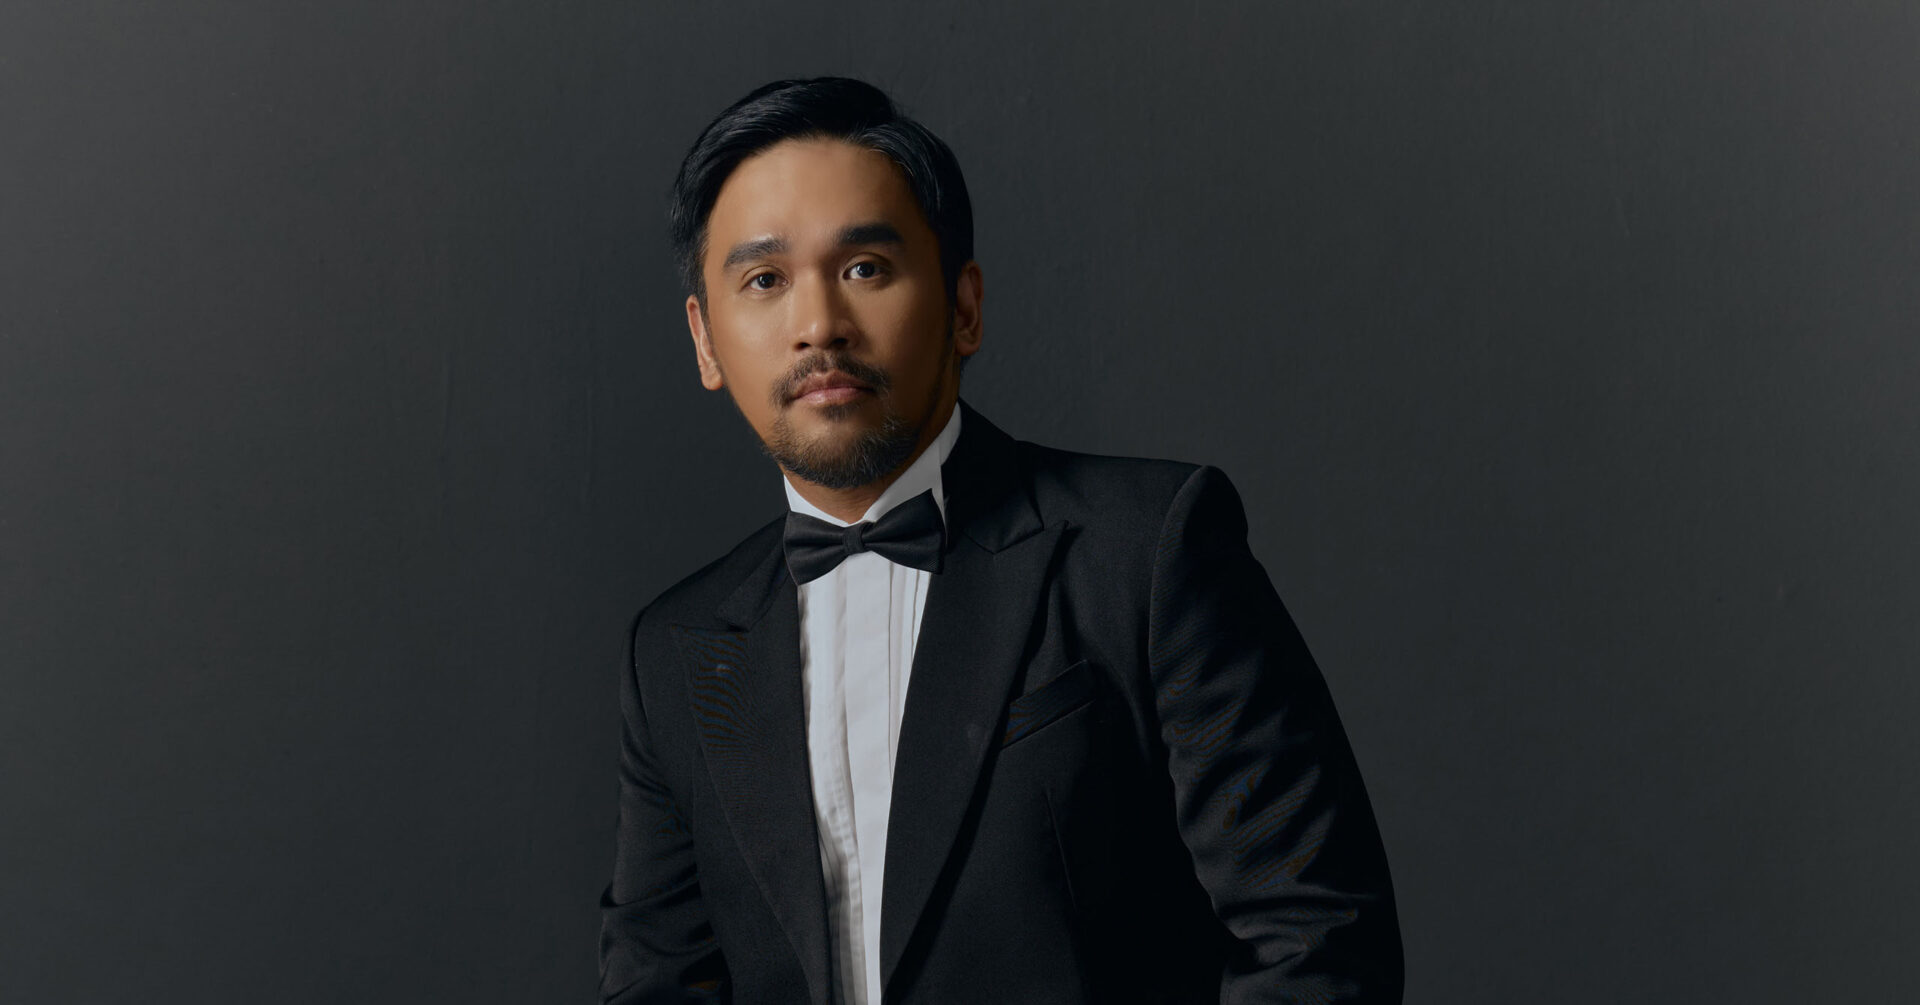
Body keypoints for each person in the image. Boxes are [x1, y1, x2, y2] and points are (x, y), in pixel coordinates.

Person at [599, 76, 1403, 1005]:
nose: (817, 325)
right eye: (765, 281)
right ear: (705, 339)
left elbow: (1317, 938)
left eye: (865, 268)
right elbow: (655, 986)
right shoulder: (675, 651)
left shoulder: (1147, 552)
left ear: (964, 306)